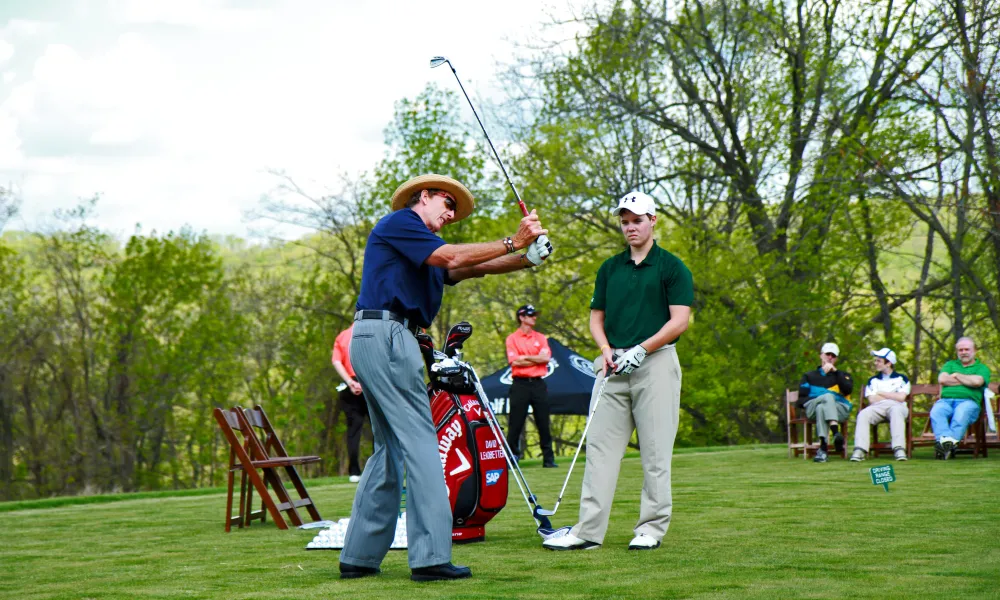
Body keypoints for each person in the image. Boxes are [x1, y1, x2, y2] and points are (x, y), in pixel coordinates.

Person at [338, 173, 552, 582]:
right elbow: (455, 257)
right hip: (388, 335)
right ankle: (430, 558)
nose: (451, 214)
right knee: (422, 443)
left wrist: (527, 259)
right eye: (447, 204)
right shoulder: (402, 223)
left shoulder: (422, 248)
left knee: (389, 450)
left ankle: (359, 557)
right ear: (423, 196)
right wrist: (515, 239)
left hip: (377, 335)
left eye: (455, 210)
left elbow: (473, 267)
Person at [543, 190, 692, 552]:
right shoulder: (610, 267)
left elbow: (680, 322)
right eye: (625, 222)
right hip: (612, 366)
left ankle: (651, 529)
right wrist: (606, 350)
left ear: (652, 221)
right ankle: (588, 531)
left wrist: (642, 349)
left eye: (637, 221)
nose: (630, 228)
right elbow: (597, 318)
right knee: (599, 451)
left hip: (655, 364)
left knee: (655, 452)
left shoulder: (672, 267)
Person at [505, 304, 556, 467]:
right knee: (516, 423)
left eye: (535, 314)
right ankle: (512, 458)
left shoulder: (540, 337)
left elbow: (545, 359)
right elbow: (514, 361)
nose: (534, 317)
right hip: (520, 384)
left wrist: (525, 357)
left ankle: (548, 460)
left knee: (543, 422)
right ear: (522, 317)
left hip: (538, 384)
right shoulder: (512, 338)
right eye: (531, 314)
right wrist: (535, 357)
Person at [932, 337, 991, 460]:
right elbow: (942, 379)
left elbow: (977, 382)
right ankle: (948, 446)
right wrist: (967, 380)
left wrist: (957, 375)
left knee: (961, 413)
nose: (963, 352)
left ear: (974, 351)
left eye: (967, 349)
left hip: (969, 402)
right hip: (946, 401)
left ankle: (944, 448)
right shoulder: (950, 365)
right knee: (937, 411)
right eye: (960, 350)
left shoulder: (982, 368)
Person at [850, 348, 911, 462]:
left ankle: (899, 449)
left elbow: (901, 397)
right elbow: (872, 399)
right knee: (863, 414)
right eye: (876, 361)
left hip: (897, 406)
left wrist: (881, 393)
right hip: (877, 407)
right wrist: (893, 395)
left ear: (888, 363)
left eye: (879, 361)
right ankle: (860, 449)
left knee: (896, 411)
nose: (875, 363)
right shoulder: (873, 380)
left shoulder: (901, 379)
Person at [797, 342, 854, 463]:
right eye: (828, 354)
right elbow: (801, 399)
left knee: (822, 409)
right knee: (827, 397)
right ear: (821, 355)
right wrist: (820, 399)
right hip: (812, 406)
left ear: (836, 359)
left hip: (839, 410)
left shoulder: (843, 375)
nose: (830, 357)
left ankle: (823, 449)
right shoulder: (809, 376)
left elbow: (847, 390)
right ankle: (835, 432)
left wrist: (837, 372)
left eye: (833, 356)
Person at [331, 324, 369, 483]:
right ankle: (380, 470)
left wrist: (349, 381)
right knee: (379, 428)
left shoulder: (343, 335)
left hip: (349, 384)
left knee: (353, 430)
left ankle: (354, 472)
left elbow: (336, 361)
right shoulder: (370, 334)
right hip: (370, 381)